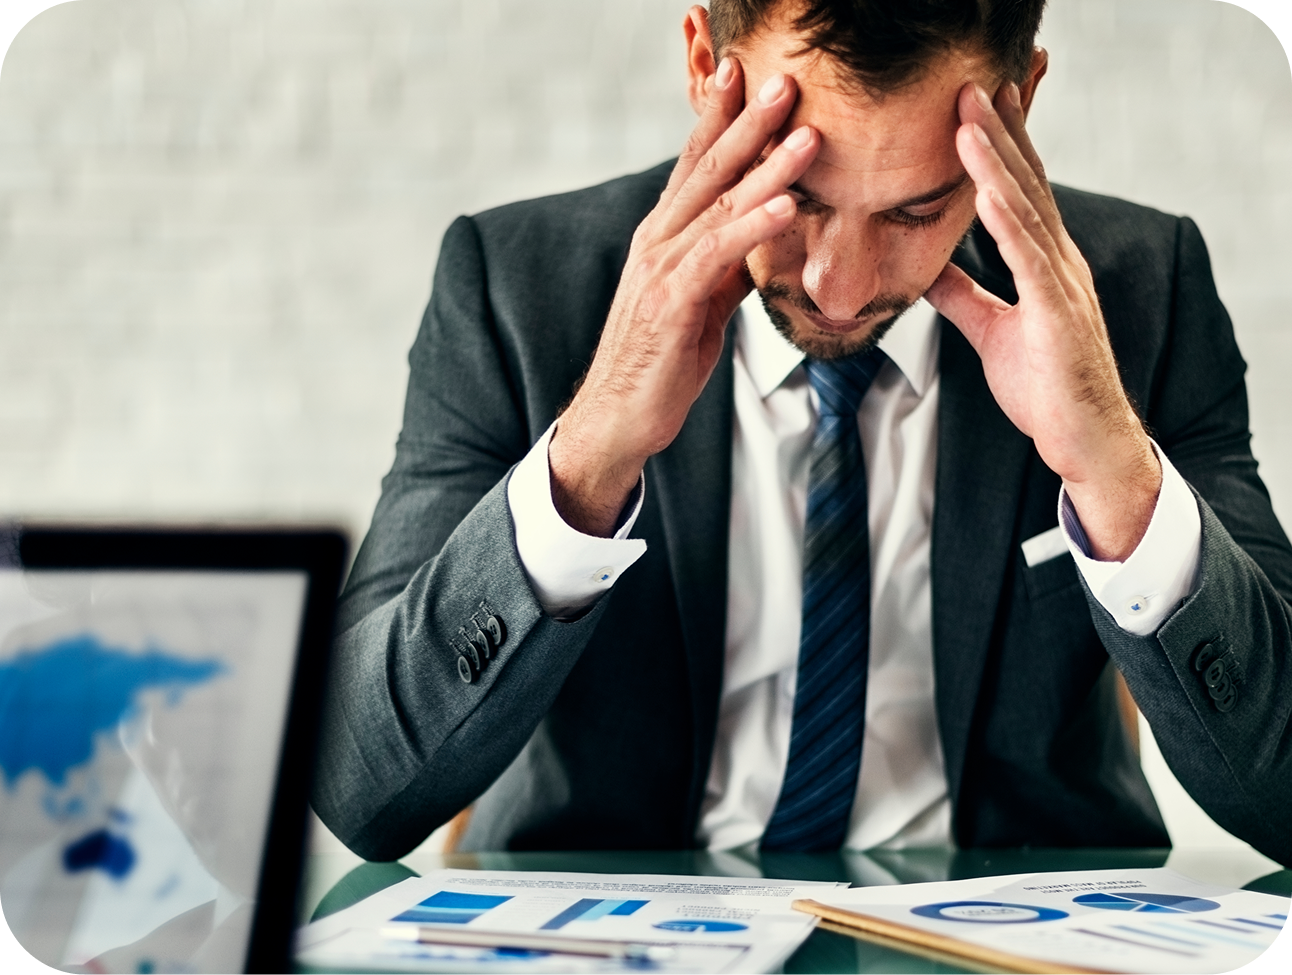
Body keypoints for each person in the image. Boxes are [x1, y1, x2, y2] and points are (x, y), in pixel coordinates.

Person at [312, 0, 1292, 865]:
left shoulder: (1141, 291)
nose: (841, 285)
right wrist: (590, 451)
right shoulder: (514, 289)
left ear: (1018, 102)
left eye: (916, 209)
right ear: (704, 65)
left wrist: (1116, 478)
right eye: (799, 198)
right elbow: (357, 788)